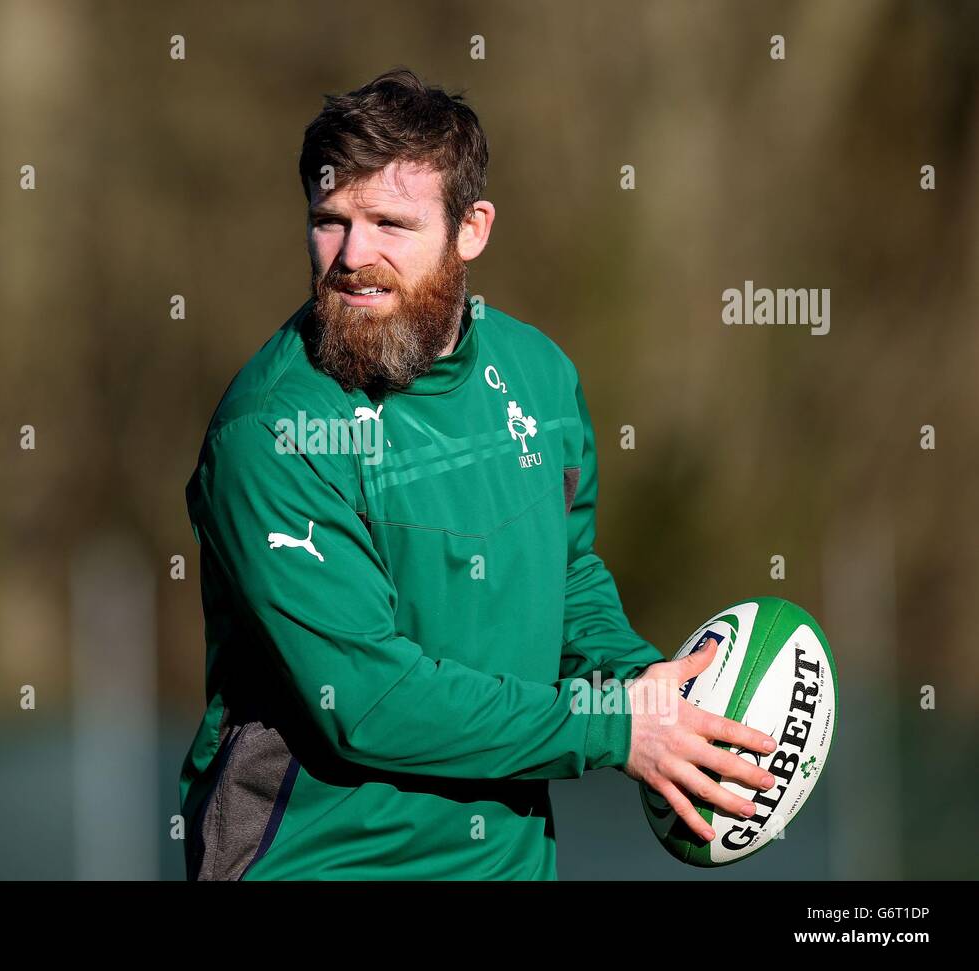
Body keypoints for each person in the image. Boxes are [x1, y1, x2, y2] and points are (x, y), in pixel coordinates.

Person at [179, 67, 777, 880]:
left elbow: (567, 582)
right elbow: (368, 700)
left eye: (391, 222)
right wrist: (615, 728)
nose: (355, 258)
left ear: (473, 228)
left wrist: (649, 689)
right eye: (330, 222)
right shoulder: (273, 432)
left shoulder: (541, 378)